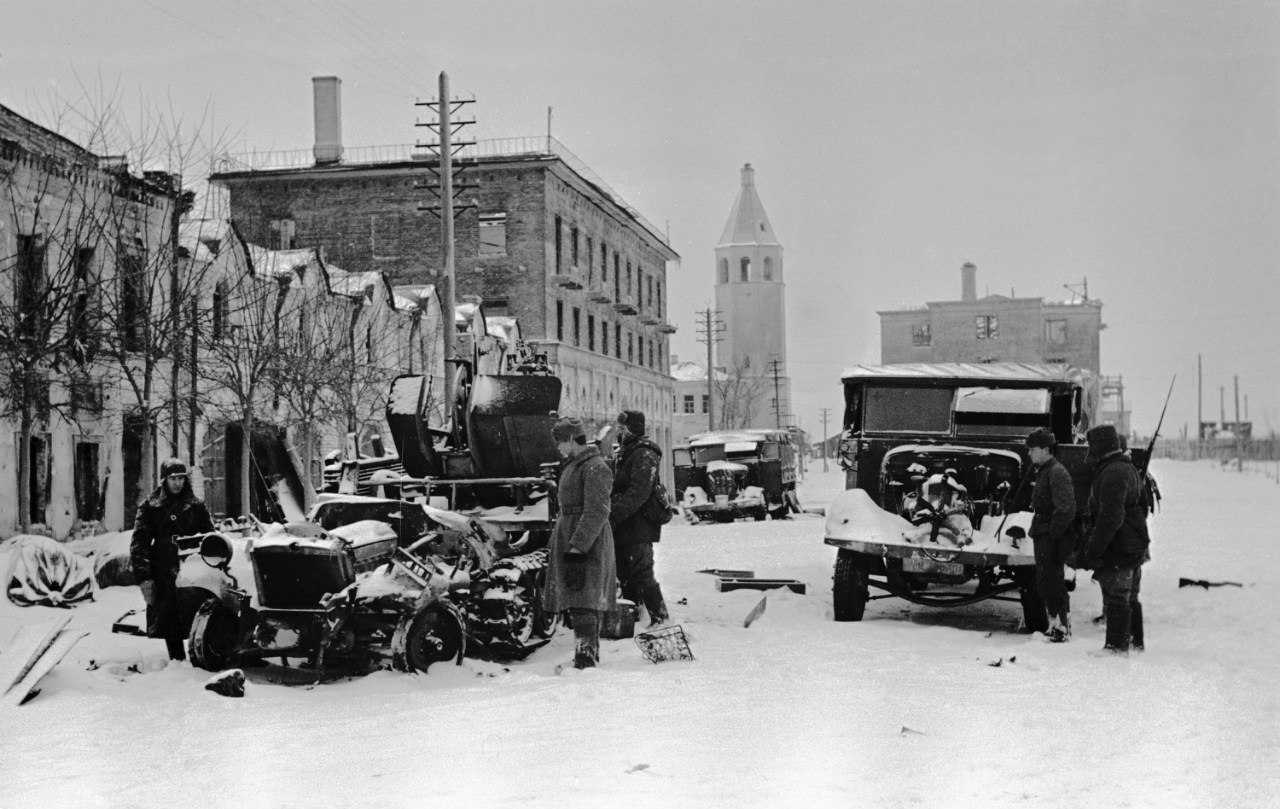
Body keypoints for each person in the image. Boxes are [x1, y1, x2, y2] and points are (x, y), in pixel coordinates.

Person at [542, 417, 617, 669]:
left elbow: (596, 511)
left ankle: (586, 662)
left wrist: (577, 549)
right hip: (575, 538)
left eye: (561, 443)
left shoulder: (595, 467)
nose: (559, 449)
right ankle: (585, 658)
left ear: (572, 440)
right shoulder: (577, 465)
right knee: (577, 601)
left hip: (587, 542)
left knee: (584, 602)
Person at [129, 458, 215, 661]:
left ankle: (200, 658)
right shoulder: (151, 507)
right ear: (164, 480)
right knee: (170, 620)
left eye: (181, 478)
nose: (177, 483)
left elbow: (211, 537)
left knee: (198, 617)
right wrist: (145, 578)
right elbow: (138, 544)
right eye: (172, 478)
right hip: (164, 571)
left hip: (193, 570)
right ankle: (177, 662)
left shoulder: (196, 506)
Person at [1079, 425, 1150, 654]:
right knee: (1130, 596)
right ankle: (1134, 643)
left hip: (1118, 546)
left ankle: (1116, 647)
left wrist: (1093, 549)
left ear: (1099, 447)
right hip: (1134, 542)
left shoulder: (1111, 473)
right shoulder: (1128, 468)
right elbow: (1143, 507)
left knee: (1117, 596)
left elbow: (1111, 518)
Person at [609, 410, 670, 628]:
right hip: (627, 524)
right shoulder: (626, 452)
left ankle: (660, 619)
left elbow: (639, 492)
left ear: (633, 429)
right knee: (626, 573)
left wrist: (613, 512)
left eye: (623, 428)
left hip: (639, 524)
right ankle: (633, 616)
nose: (619, 432)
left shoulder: (645, 453)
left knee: (642, 572)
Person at [1025, 427, 1076, 642]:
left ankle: (1061, 627)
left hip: (1049, 535)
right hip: (1044, 532)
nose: (1029, 453)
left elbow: (1065, 508)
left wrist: (1054, 537)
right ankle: (1056, 624)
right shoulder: (1045, 470)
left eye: (1033, 449)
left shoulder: (1056, 472)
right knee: (1046, 581)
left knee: (1053, 582)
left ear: (1046, 449)